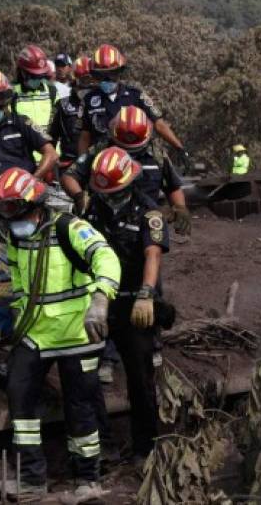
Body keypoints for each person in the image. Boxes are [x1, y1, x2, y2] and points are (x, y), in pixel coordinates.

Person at [0, 167, 120, 501]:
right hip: (36, 335)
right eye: (1, 210)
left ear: (33, 204)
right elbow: (19, 281)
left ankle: (87, 480)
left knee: (81, 406)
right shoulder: (15, 236)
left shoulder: (70, 228)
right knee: (20, 399)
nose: (7, 217)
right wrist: (15, 316)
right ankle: (32, 479)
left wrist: (102, 297)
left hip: (79, 333)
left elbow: (105, 257)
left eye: (11, 208)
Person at [83, 146, 172, 462]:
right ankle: (102, 443)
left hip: (135, 302)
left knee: (139, 379)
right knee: (85, 375)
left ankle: (145, 447)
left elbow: (153, 254)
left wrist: (147, 293)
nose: (111, 198)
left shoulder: (149, 213)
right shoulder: (94, 209)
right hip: (100, 301)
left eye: (116, 192)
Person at [62, 106, 192, 237]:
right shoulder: (100, 149)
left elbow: (173, 185)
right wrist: (79, 197)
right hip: (102, 223)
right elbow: (70, 175)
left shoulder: (156, 155)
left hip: (142, 225)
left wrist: (180, 208)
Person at [77, 44, 191, 171]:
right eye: (101, 76)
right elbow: (84, 137)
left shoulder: (136, 96)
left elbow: (159, 124)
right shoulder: (88, 101)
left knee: (161, 167)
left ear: (119, 72)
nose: (106, 80)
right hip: (104, 164)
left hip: (136, 160)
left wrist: (179, 148)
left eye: (111, 74)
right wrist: (83, 162)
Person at [0, 69, 58, 195]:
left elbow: (51, 154)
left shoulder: (21, 122)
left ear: (7, 98)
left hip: (24, 197)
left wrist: (32, 181)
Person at [48, 55, 93, 171]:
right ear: (75, 79)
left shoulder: (102, 102)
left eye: (92, 80)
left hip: (98, 162)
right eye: (85, 79)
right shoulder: (62, 105)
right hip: (69, 163)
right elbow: (50, 137)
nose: (89, 84)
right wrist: (51, 161)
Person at [11, 44, 58, 139]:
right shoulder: (12, 94)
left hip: (51, 151)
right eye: (34, 76)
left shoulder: (51, 91)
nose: (38, 79)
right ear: (23, 72)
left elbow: (59, 120)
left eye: (40, 76)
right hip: (24, 152)